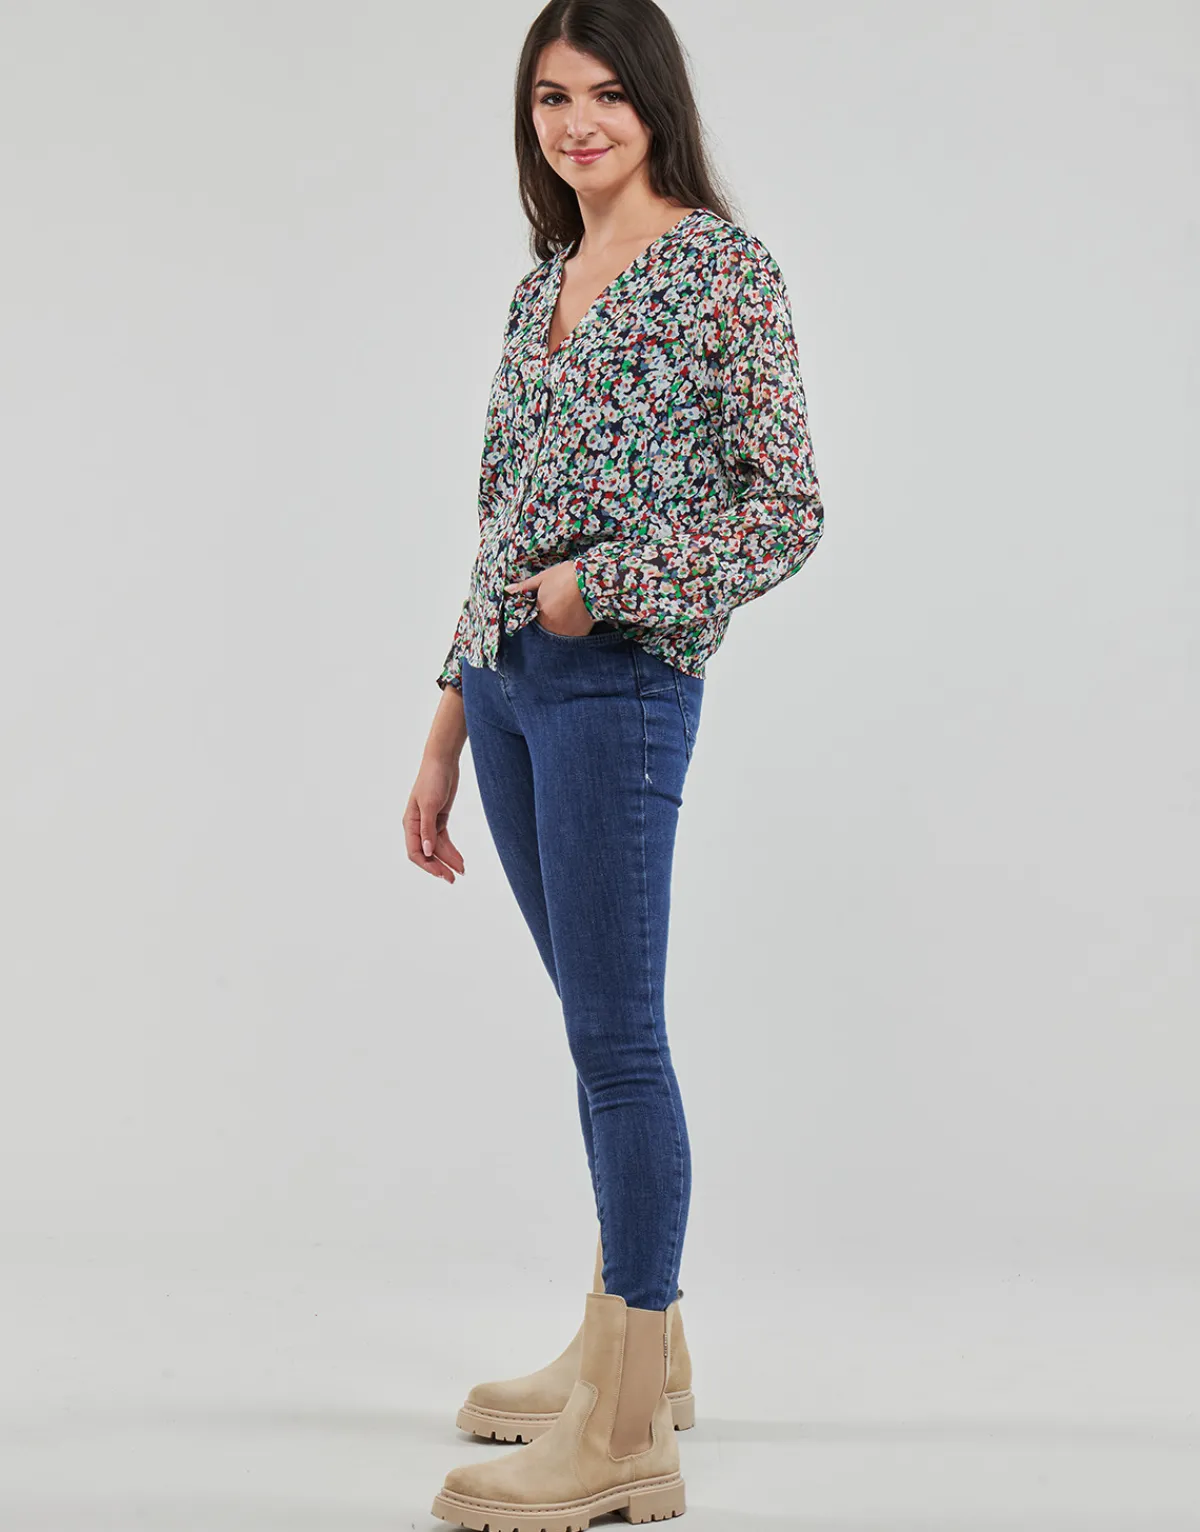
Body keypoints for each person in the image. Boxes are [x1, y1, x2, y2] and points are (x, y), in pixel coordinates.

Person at [408, 2, 824, 1524]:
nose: (577, 123)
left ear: (654, 103)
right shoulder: (543, 286)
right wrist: (447, 721)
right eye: (550, 98)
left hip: (618, 686)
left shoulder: (721, 270)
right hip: (509, 691)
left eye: (604, 94)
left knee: (621, 1042)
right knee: (596, 1033)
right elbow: (498, 518)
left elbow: (787, 508)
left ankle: (630, 1428)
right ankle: (633, 1342)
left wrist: (611, 585)